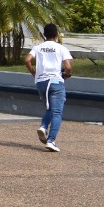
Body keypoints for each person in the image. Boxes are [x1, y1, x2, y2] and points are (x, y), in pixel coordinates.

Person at [26, 23, 72, 152]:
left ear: (44, 35)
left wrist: (34, 73)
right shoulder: (61, 48)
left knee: (50, 108)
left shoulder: (38, 47)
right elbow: (68, 67)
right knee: (57, 112)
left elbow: (27, 60)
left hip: (41, 82)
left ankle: (43, 126)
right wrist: (67, 75)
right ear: (56, 35)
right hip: (55, 82)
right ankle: (51, 140)